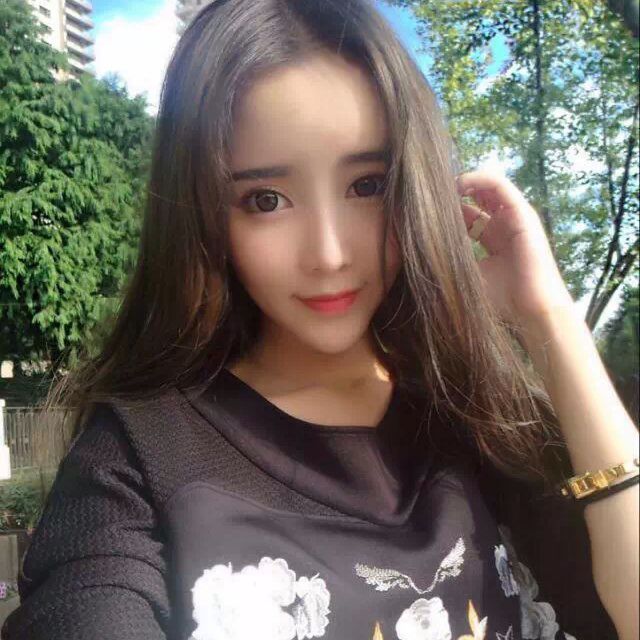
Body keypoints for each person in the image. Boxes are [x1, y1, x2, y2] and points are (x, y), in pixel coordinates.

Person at [2, 0, 638, 638]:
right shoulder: (135, 458)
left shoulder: (478, 414)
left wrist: (549, 319)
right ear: (202, 216)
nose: (329, 255)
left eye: (368, 185)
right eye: (265, 199)